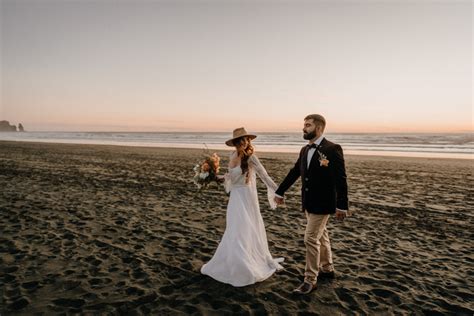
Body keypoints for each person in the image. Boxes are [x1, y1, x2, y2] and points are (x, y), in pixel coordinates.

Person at [274, 114, 349, 295]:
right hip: (308, 202)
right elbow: (295, 172)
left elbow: (341, 179)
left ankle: (310, 280)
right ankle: (327, 268)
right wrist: (280, 191)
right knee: (321, 235)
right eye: (304, 125)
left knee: (310, 238)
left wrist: (342, 206)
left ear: (319, 128)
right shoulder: (304, 150)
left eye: (308, 125)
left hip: (324, 203)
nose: (304, 128)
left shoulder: (332, 149)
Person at [201, 127, 283, 287]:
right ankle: (235, 260)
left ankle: (246, 262)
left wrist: (278, 191)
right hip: (236, 198)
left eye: (247, 140)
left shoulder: (251, 157)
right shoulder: (232, 155)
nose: (245, 142)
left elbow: (264, 175)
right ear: (235, 143)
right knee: (234, 228)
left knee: (245, 227)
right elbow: (231, 177)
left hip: (247, 197)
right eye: (241, 140)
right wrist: (216, 177)